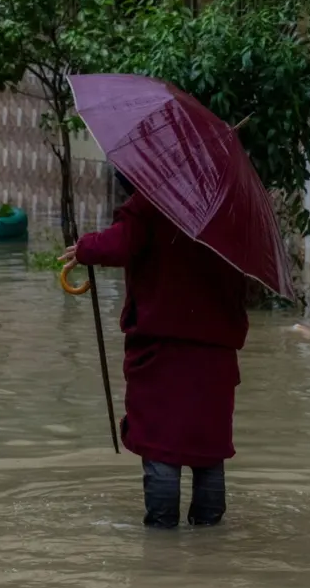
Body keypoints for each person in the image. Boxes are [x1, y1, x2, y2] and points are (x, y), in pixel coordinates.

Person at [59, 173, 248, 529]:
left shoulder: (153, 204)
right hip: (216, 356)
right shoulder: (226, 210)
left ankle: (161, 543)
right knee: (208, 450)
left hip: (163, 354)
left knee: (161, 445)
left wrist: (85, 247)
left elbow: (120, 244)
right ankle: (209, 537)